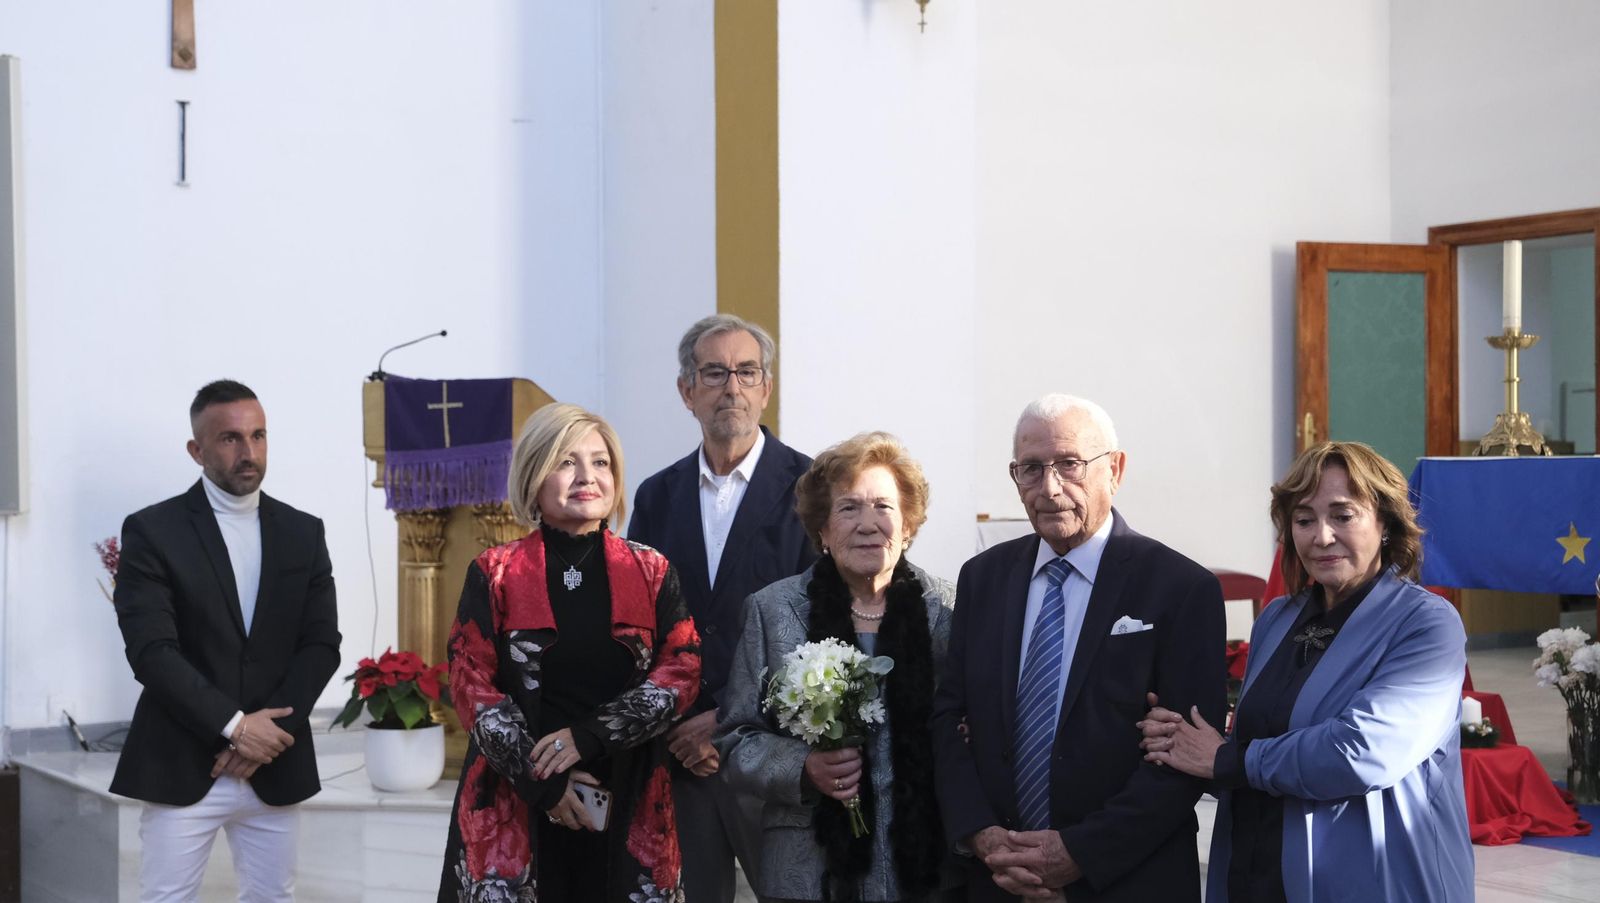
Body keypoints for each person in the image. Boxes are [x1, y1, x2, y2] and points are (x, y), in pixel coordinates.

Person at [1139, 441, 1472, 902]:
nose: (1322, 536)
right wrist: (1179, 737)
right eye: (1304, 519)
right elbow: (1254, 739)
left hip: (1375, 879)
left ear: (1386, 522)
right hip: (1256, 871)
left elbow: (1362, 752)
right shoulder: (1278, 617)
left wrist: (1229, 760)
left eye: (1343, 515)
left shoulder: (1426, 623)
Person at [932, 394, 1225, 901]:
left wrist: (1077, 856)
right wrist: (982, 836)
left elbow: (1186, 756)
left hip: (1125, 881)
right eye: (1031, 468)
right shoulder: (983, 578)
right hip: (998, 880)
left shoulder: (1180, 587)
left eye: (1069, 464)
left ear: (1115, 469)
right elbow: (949, 716)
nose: (1049, 488)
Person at [439, 403, 703, 902]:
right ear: (535, 474)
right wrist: (546, 784)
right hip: (517, 801)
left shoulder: (651, 571)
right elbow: (471, 684)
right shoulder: (494, 572)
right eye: (566, 461)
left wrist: (588, 737)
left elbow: (682, 670)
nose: (587, 476)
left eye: (600, 462)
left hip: (628, 798)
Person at [111, 379, 342, 902]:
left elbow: (321, 642)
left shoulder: (303, 532)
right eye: (231, 439)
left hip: (275, 763)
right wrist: (237, 728)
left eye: (259, 436)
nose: (249, 452)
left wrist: (266, 737)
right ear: (197, 449)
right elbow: (151, 651)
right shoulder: (153, 531)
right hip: (182, 759)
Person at [717, 432, 962, 902]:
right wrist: (803, 766)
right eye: (849, 508)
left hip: (929, 871)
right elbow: (734, 742)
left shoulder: (948, 610)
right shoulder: (771, 611)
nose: (868, 524)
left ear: (907, 525)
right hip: (810, 874)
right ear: (822, 531)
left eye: (884, 507)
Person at [629, 313, 816, 901]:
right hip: (681, 757)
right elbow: (639, 626)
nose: (731, 386)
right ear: (687, 392)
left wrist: (730, 717)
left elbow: (821, 627)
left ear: (766, 387)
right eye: (714, 373)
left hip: (774, 754)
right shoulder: (656, 496)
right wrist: (680, 720)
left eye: (746, 371)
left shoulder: (812, 489)